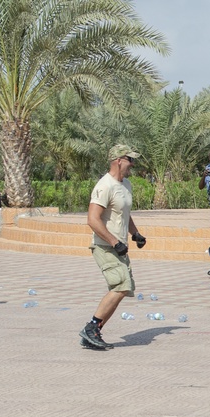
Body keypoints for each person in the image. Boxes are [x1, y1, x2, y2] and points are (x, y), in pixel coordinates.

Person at [79, 145, 148, 350]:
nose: (133, 165)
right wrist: (113, 242)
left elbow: (124, 213)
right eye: (130, 160)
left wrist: (135, 234)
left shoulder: (126, 184)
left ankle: (93, 332)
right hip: (104, 246)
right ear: (119, 160)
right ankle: (91, 328)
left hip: (119, 246)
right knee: (121, 286)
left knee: (122, 288)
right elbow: (93, 219)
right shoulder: (104, 185)